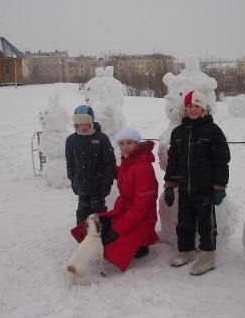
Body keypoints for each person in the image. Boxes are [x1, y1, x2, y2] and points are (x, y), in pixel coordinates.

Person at [71, 126, 159, 272]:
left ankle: (141, 244)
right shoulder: (129, 162)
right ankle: (133, 242)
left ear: (138, 143)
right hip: (125, 211)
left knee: (113, 244)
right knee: (98, 227)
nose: (125, 147)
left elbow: (140, 209)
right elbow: (124, 175)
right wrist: (104, 167)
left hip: (142, 218)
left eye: (130, 142)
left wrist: (117, 231)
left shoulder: (143, 168)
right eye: (122, 143)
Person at [163, 90, 230, 276]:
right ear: (185, 109)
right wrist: (169, 184)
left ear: (204, 108)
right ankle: (186, 251)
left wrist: (220, 186)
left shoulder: (213, 131)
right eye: (190, 106)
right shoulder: (178, 133)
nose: (193, 110)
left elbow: (222, 160)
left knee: (206, 224)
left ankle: (208, 256)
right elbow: (173, 161)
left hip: (205, 188)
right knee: (184, 222)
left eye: (197, 106)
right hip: (185, 188)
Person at [65, 105, 116, 225]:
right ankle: (84, 239)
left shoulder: (101, 138)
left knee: (98, 213)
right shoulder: (71, 140)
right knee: (82, 213)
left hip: (98, 186)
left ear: (91, 122)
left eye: (86, 123)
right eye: (80, 124)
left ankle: (102, 238)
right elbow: (70, 163)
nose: (83, 127)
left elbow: (109, 162)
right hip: (81, 185)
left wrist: (106, 182)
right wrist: (73, 180)